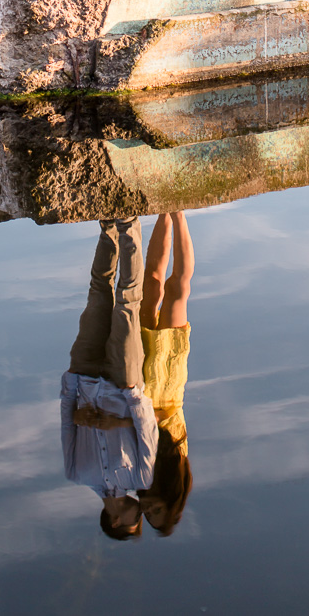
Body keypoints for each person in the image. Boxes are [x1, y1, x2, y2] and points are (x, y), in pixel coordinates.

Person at [61, 218, 158, 540]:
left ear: (115, 522)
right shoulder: (141, 478)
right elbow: (148, 429)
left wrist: (72, 396)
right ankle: (129, 222)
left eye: (135, 519)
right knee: (128, 302)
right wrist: (122, 416)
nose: (138, 511)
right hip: (122, 382)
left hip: (84, 377)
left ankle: (108, 225)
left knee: (97, 292)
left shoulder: (76, 474)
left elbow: (67, 425)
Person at [138, 212, 194, 536]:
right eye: (156, 509)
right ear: (171, 500)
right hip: (169, 383)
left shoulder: (139, 471)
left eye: (148, 512)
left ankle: (162, 210)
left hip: (142, 380)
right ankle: (179, 213)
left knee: (151, 284)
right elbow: (166, 419)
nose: (147, 507)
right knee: (177, 290)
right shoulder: (178, 462)